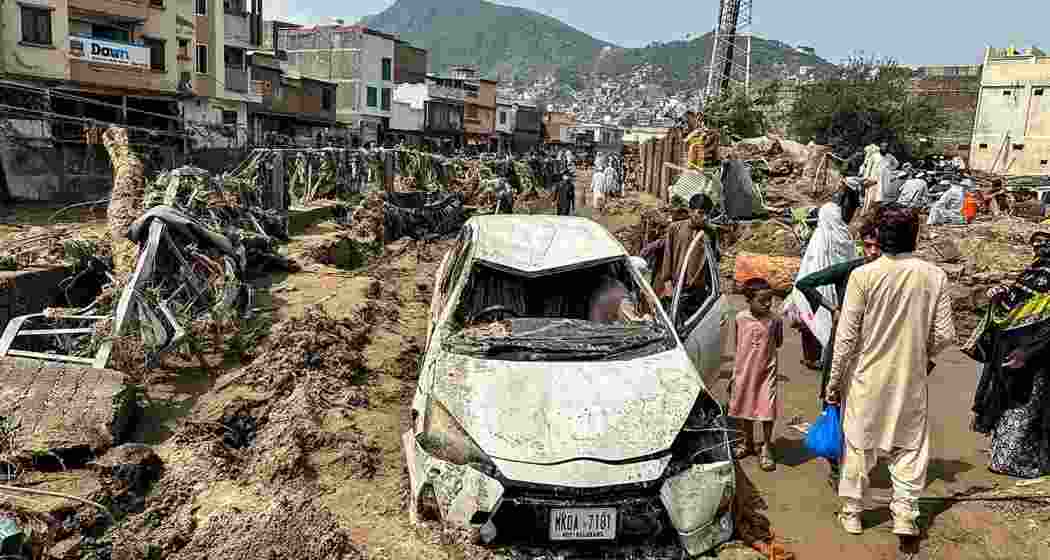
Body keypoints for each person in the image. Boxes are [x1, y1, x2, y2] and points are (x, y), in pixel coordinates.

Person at [826, 205, 956, 537]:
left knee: (858, 444)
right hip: (911, 378)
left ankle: (853, 513)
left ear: (879, 237)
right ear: (914, 235)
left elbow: (846, 337)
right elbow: (944, 335)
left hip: (866, 376)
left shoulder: (863, 276)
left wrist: (834, 382)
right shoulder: (934, 275)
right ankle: (904, 514)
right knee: (910, 447)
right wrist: (922, 357)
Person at [792, 218, 881, 487]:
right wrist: (831, 308)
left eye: (878, 246)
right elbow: (806, 282)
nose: (873, 252)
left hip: (870, 346)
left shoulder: (888, 276)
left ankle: (856, 462)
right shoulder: (850, 270)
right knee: (832, 400)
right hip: (841, 343)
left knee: (864, 405)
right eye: (868, 245)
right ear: (861, 246)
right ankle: (834, 463)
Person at [968, 232, 1050, 479]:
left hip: (1033, 353)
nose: (1038, 246)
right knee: (1018, 406)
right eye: (1037, 241)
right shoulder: (1035, 271)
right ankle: (1008, 459)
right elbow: (1014, 307)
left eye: (1044, 241)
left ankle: (1012, 458)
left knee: (1026, 408)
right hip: (1019, 353)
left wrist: (1028, 350)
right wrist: (1001, 295)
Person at [783, 182, 861, 372]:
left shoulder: (822, 234)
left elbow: (811, 266)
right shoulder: (844, 237)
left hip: (816, 284)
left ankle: (813, 357)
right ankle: (823, 356)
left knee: (812, 316)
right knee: (823, 318)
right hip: (834, 286)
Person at [729, 278, 784, 471]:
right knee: (745, 407)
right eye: (762, 300)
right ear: (748, 300)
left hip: (766, 372)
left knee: (767, 411)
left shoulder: (775, 320)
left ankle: (767, 447)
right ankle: (748, 442)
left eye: (770, 299)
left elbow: (778, 342)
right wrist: (735, 373)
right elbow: (738, 345)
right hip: (744, 371)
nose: (768, 304)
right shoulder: (740, 318)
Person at [653, 193, 713, 318]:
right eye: (701, 213)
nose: (705, 217)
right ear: (690, 211)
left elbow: (712, 263)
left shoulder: (710, 233)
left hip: (699, 291)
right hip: (678, 288)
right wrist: (668, 285)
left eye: (708, 214)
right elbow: (668, 256)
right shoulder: (675, 229)